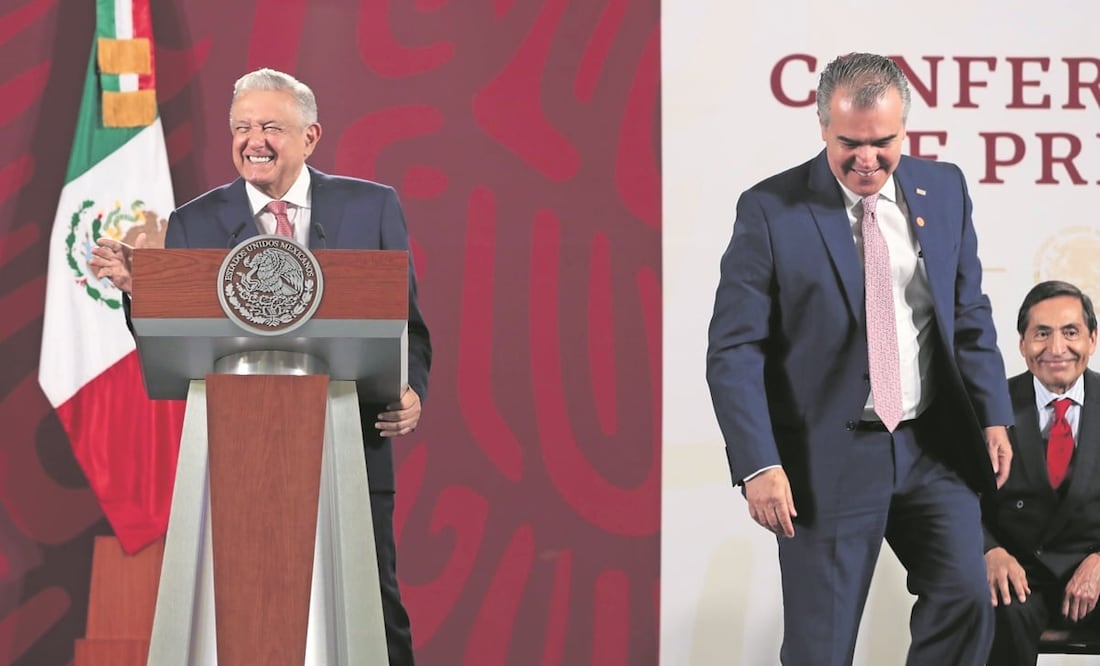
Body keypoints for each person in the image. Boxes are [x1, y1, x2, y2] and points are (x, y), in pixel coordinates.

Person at [89, 68, 430, 665]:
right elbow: (176, 333)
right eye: (242, 127)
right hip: (236, 448)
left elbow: (409, 325)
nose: (255, 140)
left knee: (373, 604)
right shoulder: (195, 222)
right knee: (239, 611)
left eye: (272, 126)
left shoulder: (371, 207)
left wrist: (412, 391)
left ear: (311, 135)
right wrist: (140, 290)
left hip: (350, 439)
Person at [705, 52, 1014, 665]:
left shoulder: (944, 188)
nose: (868, 159)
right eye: (850, 143)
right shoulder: (769, 211)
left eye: (884, 142)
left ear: (905, 129)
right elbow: (734, 350)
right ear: (822, 126)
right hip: (828, 458)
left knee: (966, 598)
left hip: (933, 448)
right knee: (822, 647)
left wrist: (993, 414)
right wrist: (758, 463)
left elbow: (968, 310)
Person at [984, 280, 1100, 665]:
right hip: (1019, 578)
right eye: (1041, 334)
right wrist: (989, 550)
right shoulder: (988, 408)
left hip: (1095, 569)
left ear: (1092, 339)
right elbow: (955, 493)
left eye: (1070, 333)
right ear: (1022, 344)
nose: (1056, 349)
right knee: (996, 611)